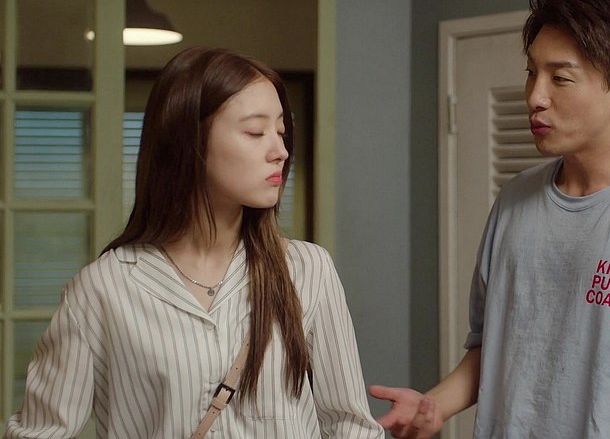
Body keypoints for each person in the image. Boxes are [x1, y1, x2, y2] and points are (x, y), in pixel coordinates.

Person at [370, 0, 610, 439]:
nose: (535, 97)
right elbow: (490, 349)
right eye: (532, 73)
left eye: (560, 78)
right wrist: (434, 406)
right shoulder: (515, 200)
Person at [5, 47, 384, 439]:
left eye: (281, 132)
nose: (281, 152)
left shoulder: (307, 270)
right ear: (190, 141)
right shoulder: (102, 290)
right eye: (256, 132)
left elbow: (351, 426)